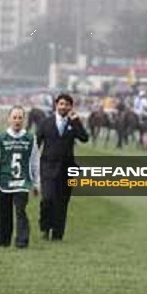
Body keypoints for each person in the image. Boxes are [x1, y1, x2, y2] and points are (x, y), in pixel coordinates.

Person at [0, 106, 40, 248]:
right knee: (3, 212)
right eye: (14, 117)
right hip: (3, 180)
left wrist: (36, 184)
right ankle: (4, 240)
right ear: (9, 119)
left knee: (21, 210)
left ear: (24, 120)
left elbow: (34, 162)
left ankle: (22, 241)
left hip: (22, 182)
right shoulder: (0, 137)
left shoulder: (30, 139)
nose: (17, 121)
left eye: (20, 117)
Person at [37, 93, 89, 241]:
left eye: (66, 104)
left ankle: (57, 233)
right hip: (47, 167)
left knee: (62, 202)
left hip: (67, 169)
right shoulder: (45, 123)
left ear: (70, 107)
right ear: (56, 105)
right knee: (47, 199)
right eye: (61, 104)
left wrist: (77, 121)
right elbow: (36, 143)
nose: (63, 107)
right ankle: (45, 228)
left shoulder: (74, 123)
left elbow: (84, 138)